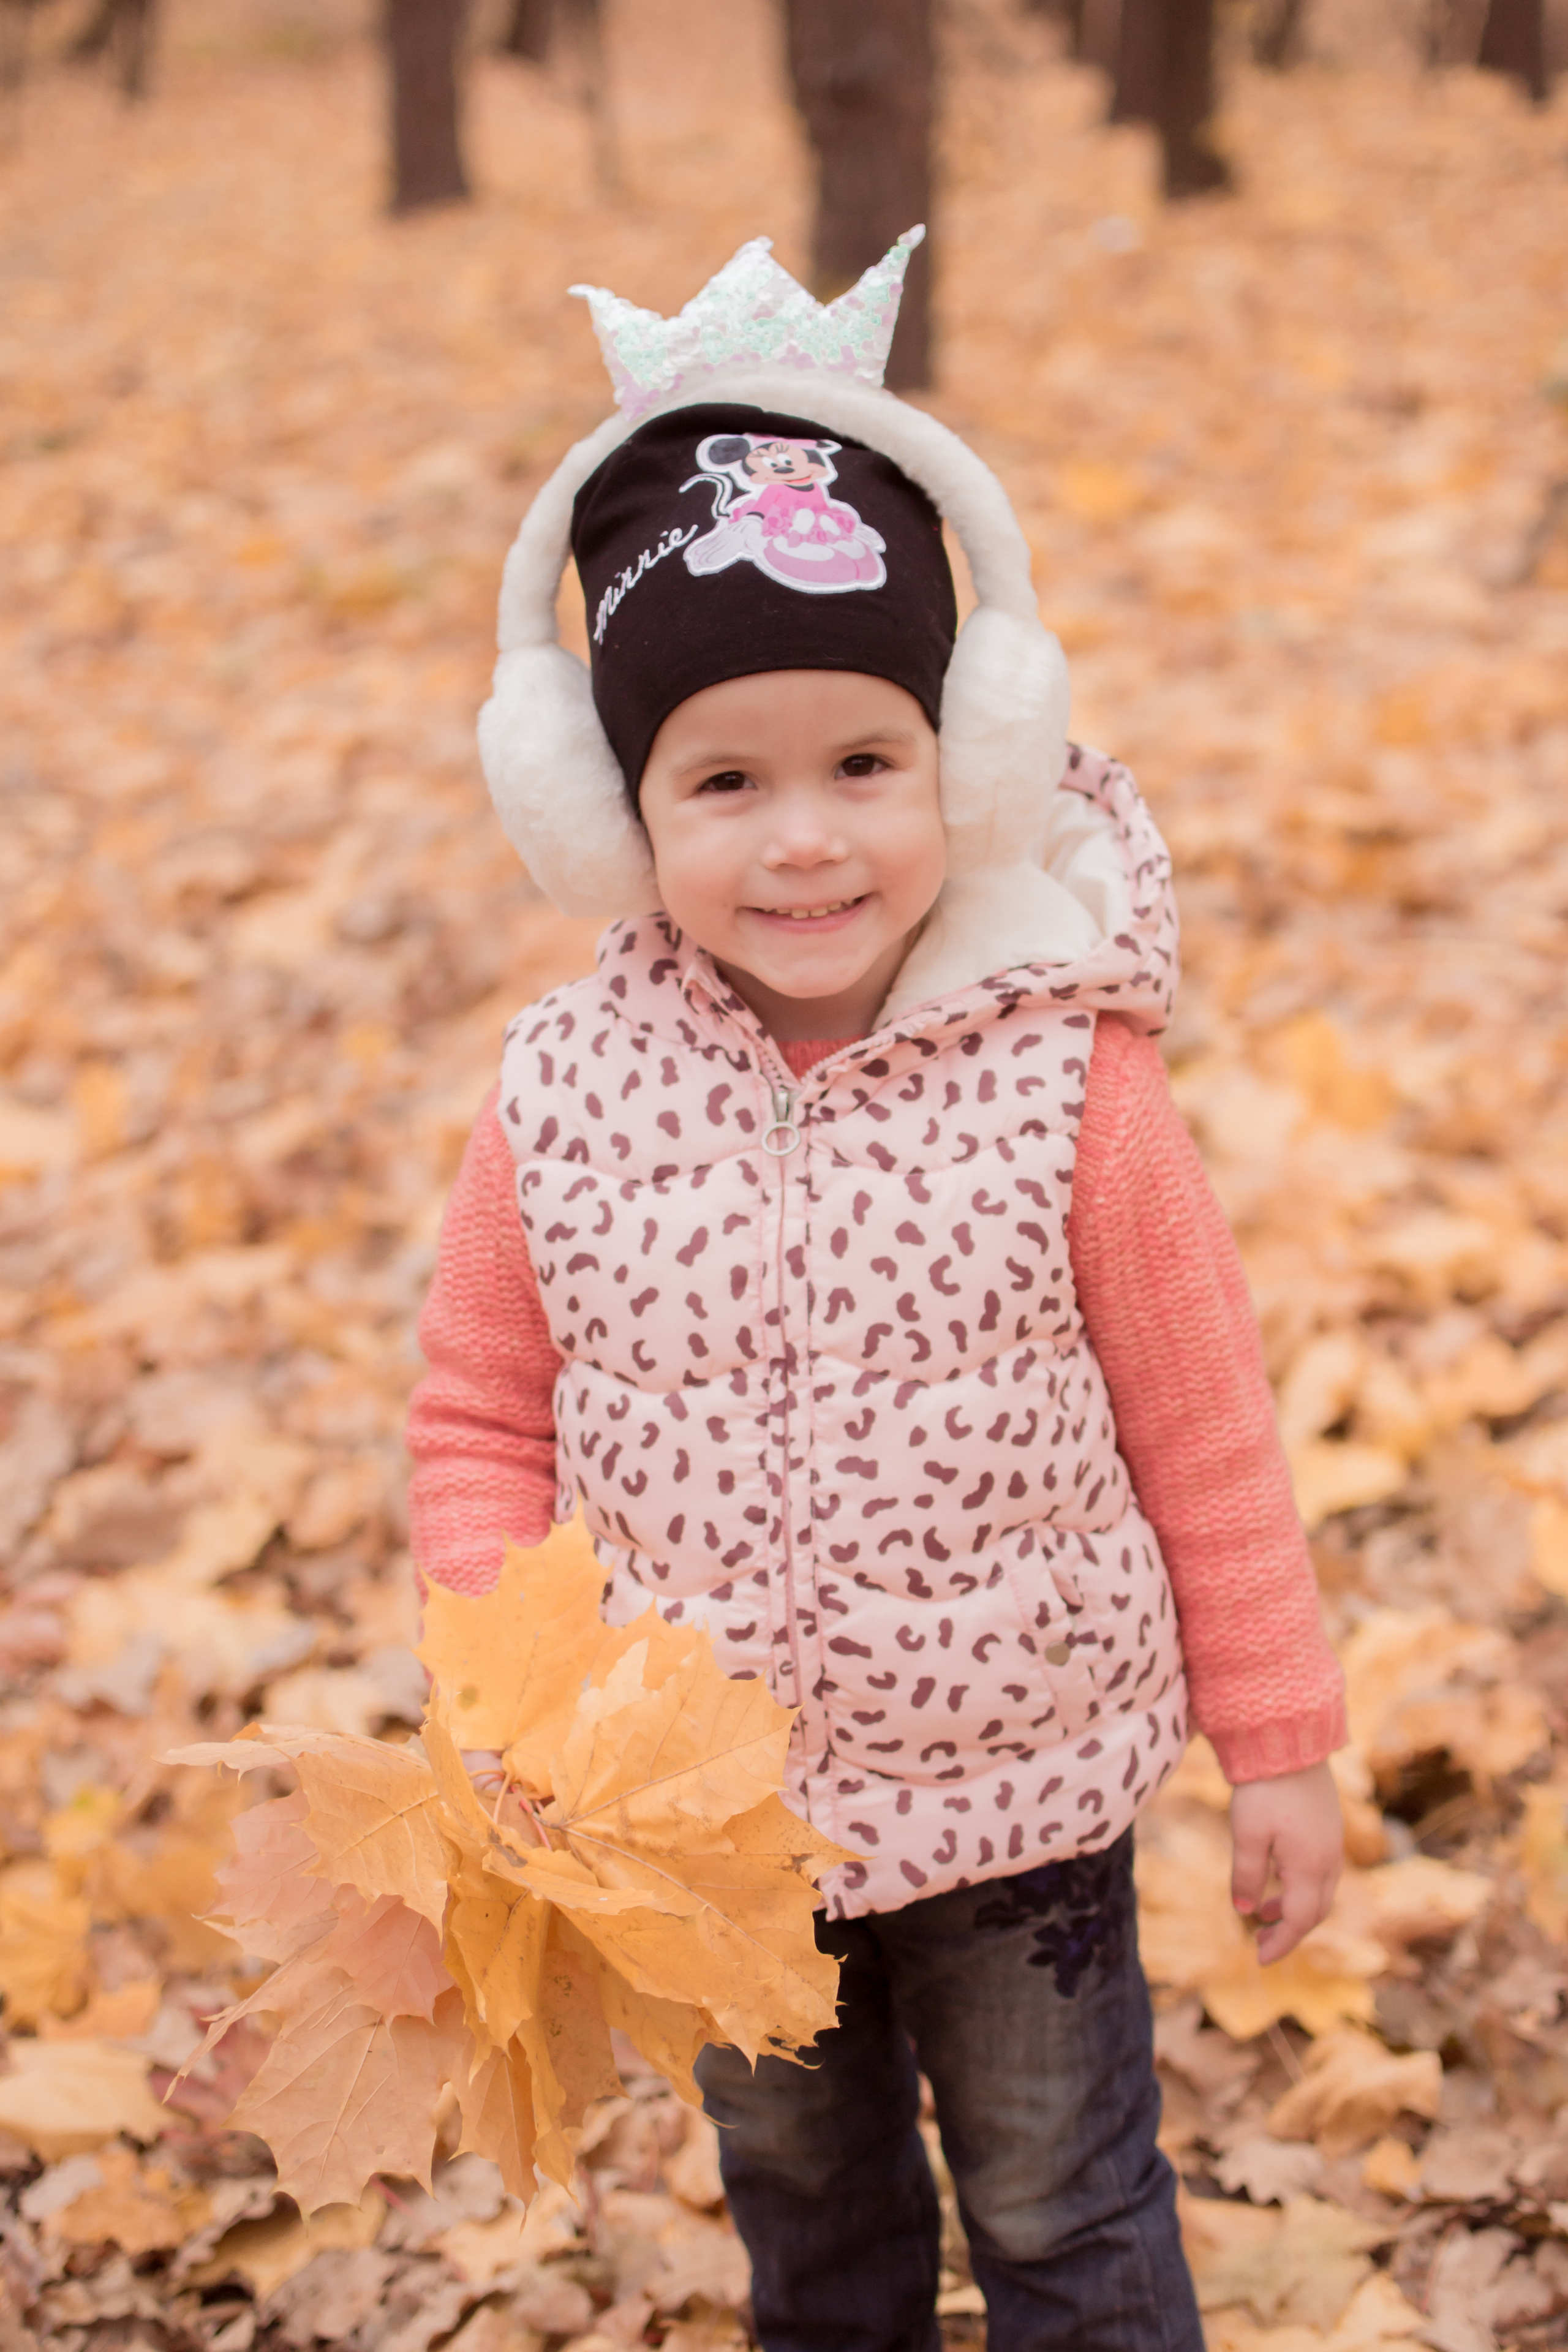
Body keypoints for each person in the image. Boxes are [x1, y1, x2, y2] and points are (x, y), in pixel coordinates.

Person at [407, 228, 1346, 2352]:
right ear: (609, 811)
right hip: (704, 1832)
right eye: (723, 784)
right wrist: (508, 1691)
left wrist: (1277, 1738)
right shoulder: (559, 1098)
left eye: (864, 763)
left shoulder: (1069, 1076)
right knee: (812, 2245)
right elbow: (480, 1417)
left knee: (1067, 2219)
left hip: (1027, 1812)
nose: (805, 841)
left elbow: (1205, 1428)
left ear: (967, 758)